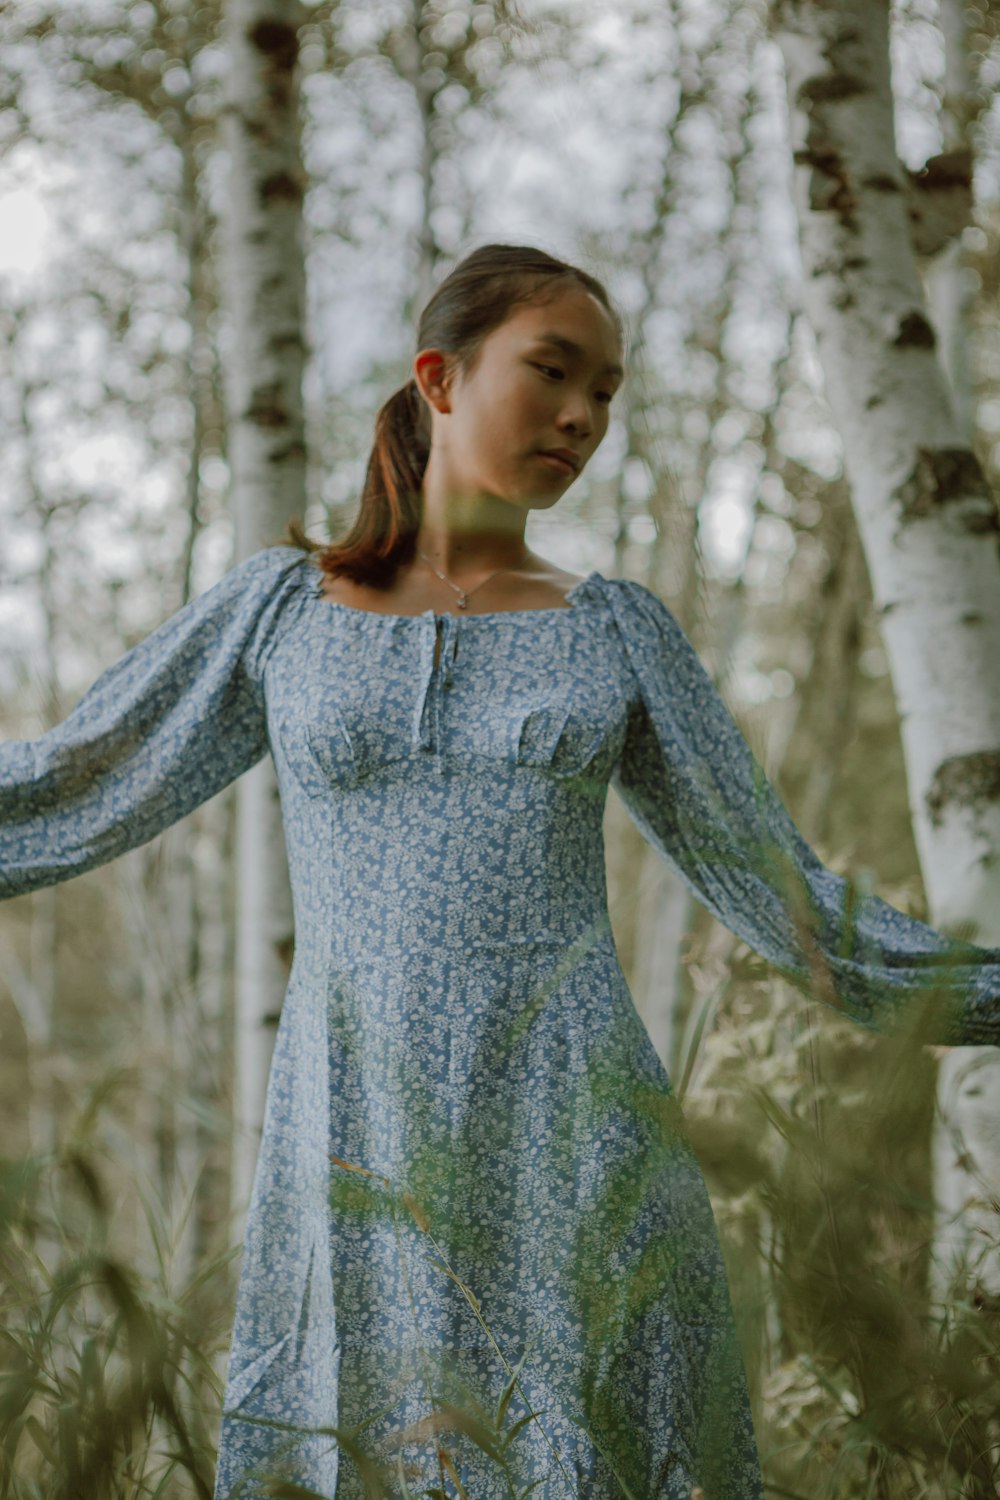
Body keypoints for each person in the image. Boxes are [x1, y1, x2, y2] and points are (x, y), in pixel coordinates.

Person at [1, 242, 998, 1500]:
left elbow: (802, 914)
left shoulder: (615, 635)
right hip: (351, 1145)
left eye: (607, 392)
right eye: (553, 371)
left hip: (574, 1148)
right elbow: (63, 788)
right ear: (440, 376)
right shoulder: (279, 615)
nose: (583, 415)